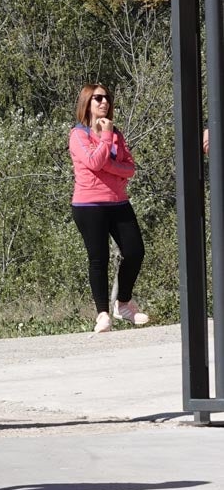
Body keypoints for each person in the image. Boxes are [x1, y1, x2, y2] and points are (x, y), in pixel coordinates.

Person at [69, 83, 149, 332]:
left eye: (107, 98)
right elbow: (93, 161)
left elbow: (130, 168)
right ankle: (102, 313)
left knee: (135, 251)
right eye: (98, 98)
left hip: (118, 202)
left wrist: (108, 165)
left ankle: (123, 303)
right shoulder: (79, 134)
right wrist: (105, 138)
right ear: (87, 103)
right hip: (89, 204)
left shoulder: (118, 134)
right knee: (99, 258)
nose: (104, 102)